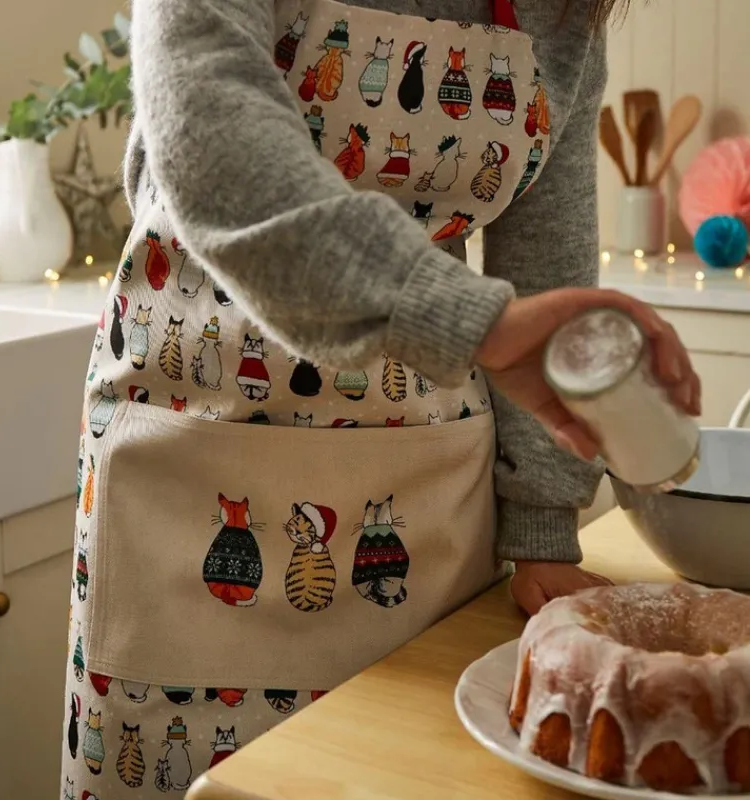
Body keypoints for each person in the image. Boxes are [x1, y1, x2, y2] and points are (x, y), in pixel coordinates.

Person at [61, 0, 699, 795]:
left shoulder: (561, 14)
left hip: (425, 498)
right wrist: (472, 321)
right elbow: (215, 140)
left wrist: (542, 521)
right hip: (188, 465)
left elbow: (545, 261)